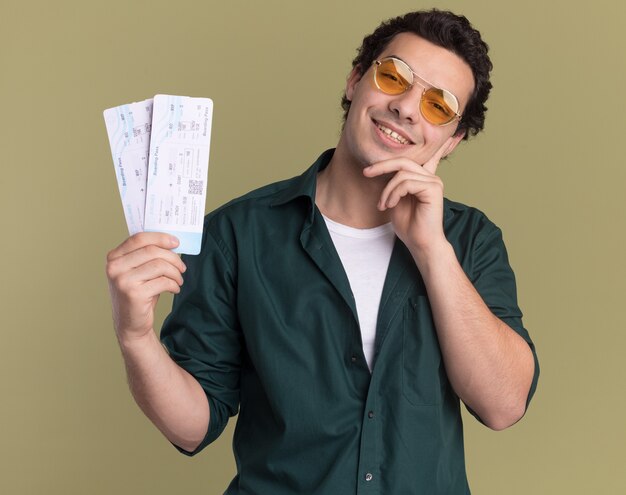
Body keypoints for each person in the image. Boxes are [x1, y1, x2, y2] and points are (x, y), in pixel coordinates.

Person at [106, 9, 539, 494]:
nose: (407, 109)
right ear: (356, 80)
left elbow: (503, 405)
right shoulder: (235, 234)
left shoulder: (471, 240)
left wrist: (431, 248)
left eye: (439, 107)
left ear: (453, 140)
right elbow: (191, 426)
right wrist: (136, 337)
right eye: (394, 76)